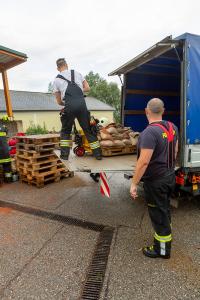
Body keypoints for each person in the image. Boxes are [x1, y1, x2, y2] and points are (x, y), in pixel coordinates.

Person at [130, 98, 178, 259]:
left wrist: (134, 183)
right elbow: (175, 151)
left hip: (156, 181)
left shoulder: (149, 132)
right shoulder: (173, 127)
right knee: (164, 209)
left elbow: (143, 162)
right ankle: (166, 236)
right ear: (163, 110)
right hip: (169, 175)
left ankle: (162, 250)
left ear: (146, 111)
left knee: (158, 214)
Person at [53, 58, 102, 160]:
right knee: (88, 130)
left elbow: (59, 102)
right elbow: (88, 88)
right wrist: (79, 91)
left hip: (69, 106)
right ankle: (98, 155)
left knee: (66, 131)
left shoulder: (57, 80)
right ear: (67, 65)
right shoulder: (77, 73)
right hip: (81, 104)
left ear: (58, 68)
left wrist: (66, 102)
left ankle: (64, 156)